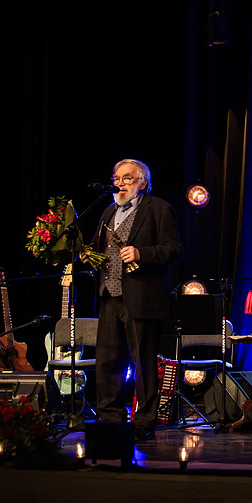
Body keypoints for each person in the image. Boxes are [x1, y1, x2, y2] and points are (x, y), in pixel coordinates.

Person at [82, 158, 182, 440]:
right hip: (108, 295)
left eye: (127, 178)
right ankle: (110, 417)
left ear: (142, 183)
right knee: (107, 361)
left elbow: (174, 249)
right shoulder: (108, 212)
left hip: (142, 297)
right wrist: (88, 254)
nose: (120, 183)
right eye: (117, 178)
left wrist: (142, 254)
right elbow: (96, 245)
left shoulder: (159, 210)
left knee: (144, 362)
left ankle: (144, 421)